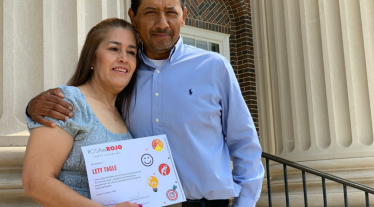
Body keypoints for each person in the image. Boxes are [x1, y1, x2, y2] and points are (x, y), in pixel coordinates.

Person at [26, 0, 265, 206]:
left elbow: (244, 144)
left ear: (183, 16)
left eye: (171, 12)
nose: (162, 23)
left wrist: (244, 203)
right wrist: (33, 107)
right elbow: (84, 106)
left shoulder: (214, 67)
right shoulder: (124, 76)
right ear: (133, 17)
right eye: (150, 12)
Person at [22, 18, 141, 207]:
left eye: (131, 52)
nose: (124, 58)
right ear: (92, 57)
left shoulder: (124, 114)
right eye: (113, 49)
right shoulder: (68, 101)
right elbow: (36, 183)